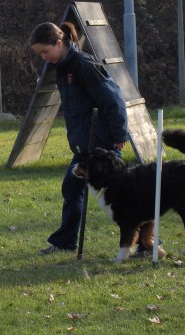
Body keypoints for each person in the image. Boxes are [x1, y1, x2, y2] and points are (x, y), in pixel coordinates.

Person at [30, 21, 166, 259]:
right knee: (72, 188)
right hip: (86, 145)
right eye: (40, 53)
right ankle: (66, 241)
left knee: (122, 199)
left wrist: (118, 134)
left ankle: (149, 244)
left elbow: (113, 98)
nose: (44, 57)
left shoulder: (83, 64)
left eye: (45, 51)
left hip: (102, 145)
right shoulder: (63, 68)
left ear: (59, 43)